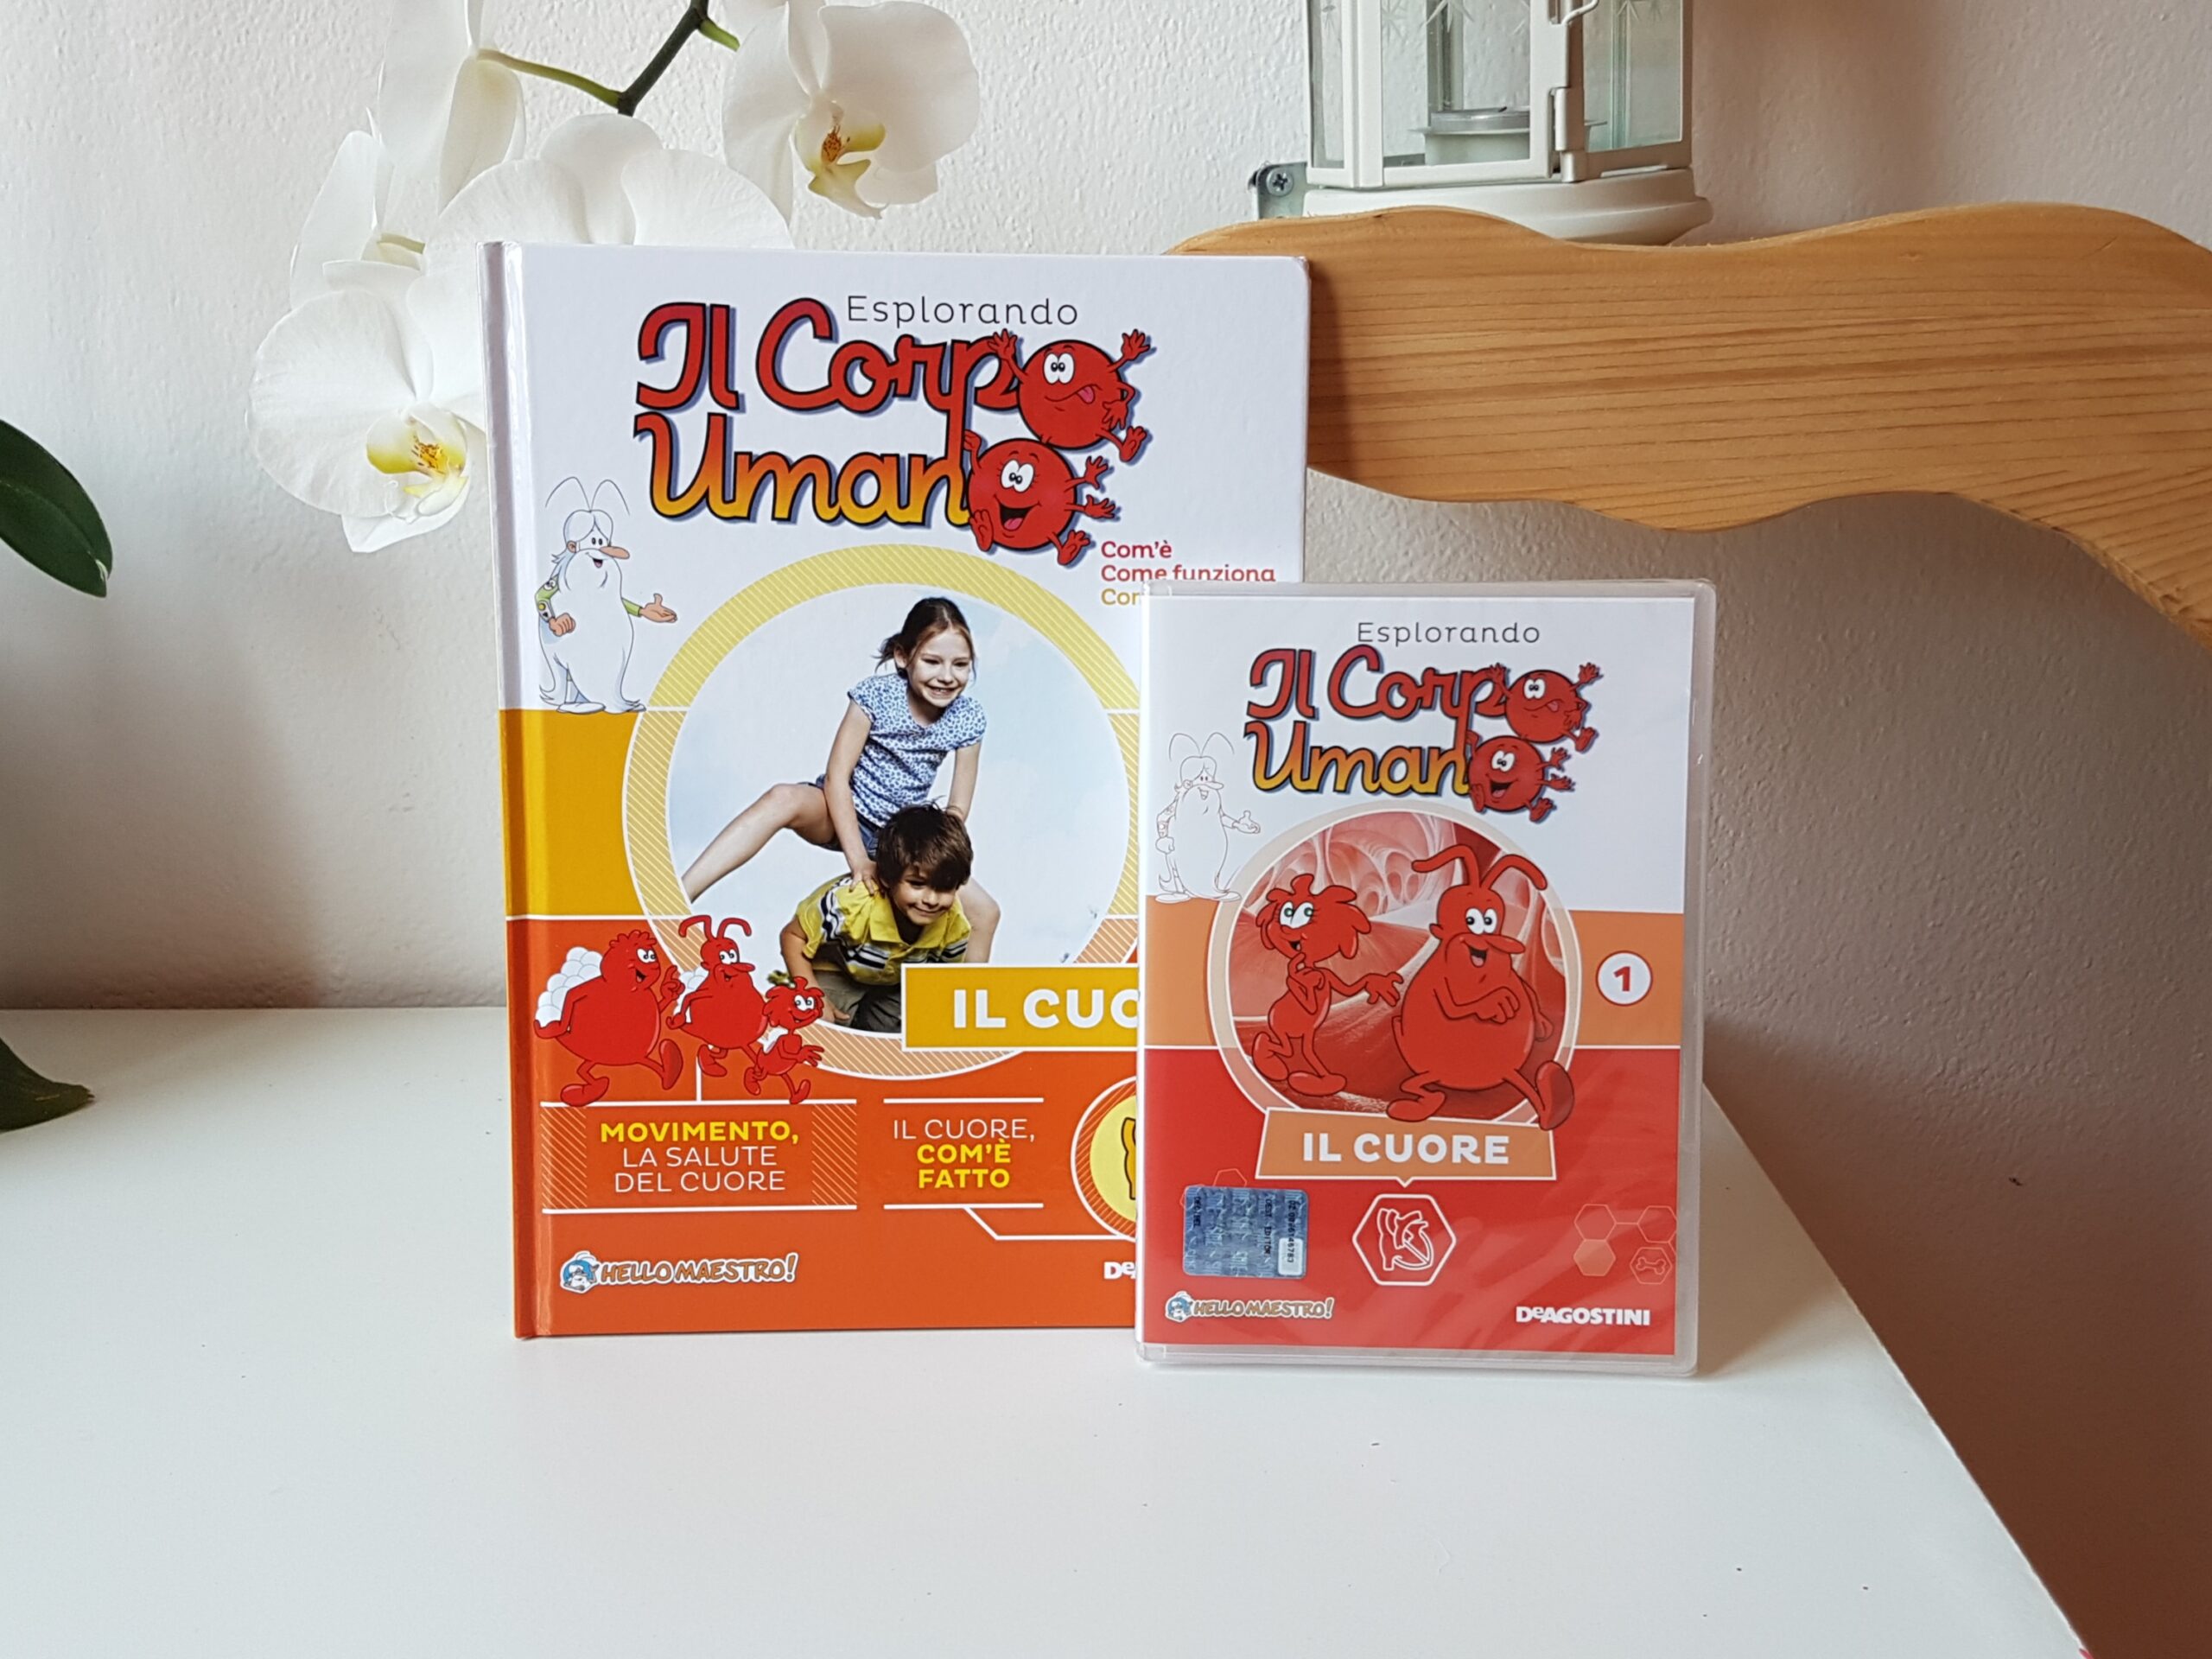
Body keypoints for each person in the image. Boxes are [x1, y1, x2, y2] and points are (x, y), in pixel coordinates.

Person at [682, 595, 1000, 961]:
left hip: (903, 839)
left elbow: (956, 810)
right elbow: (837, 777)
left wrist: (929, 854)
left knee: (986, 913)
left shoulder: (967, 717)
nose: (947, 676)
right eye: (932, 661)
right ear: (903, 656)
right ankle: (679, 895)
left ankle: (964, 994)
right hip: (841, 810)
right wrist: (858, 861)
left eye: (961, 665)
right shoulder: (875, 696)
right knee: (782, 797)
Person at [780, 805, 973, 1033]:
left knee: (905, 1028)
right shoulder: (850, 904)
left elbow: (943, 978)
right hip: (839, 970)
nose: (931, 900)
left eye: (944, 888)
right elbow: (793, 936)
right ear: (887, 878)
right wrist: (811, 993)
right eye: (917, 884)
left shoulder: (954, 924)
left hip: (894, 982)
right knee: (821, 1022)